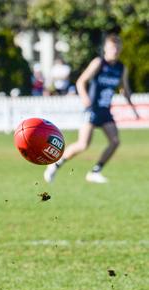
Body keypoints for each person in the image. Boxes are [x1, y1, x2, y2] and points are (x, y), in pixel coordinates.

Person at [44, 34, 139, 184]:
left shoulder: (121, 68)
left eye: (117, 47)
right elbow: (81, 81)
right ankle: (55, 164)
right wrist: (85, 98)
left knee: (115, 141)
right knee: (83, 144)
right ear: (106, 49)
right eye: (112, 47)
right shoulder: (98, 63)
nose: (115, 50)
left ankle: (95, 171)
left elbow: (125, 89)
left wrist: (133, 108)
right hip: (92, 109)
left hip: (105, 111)